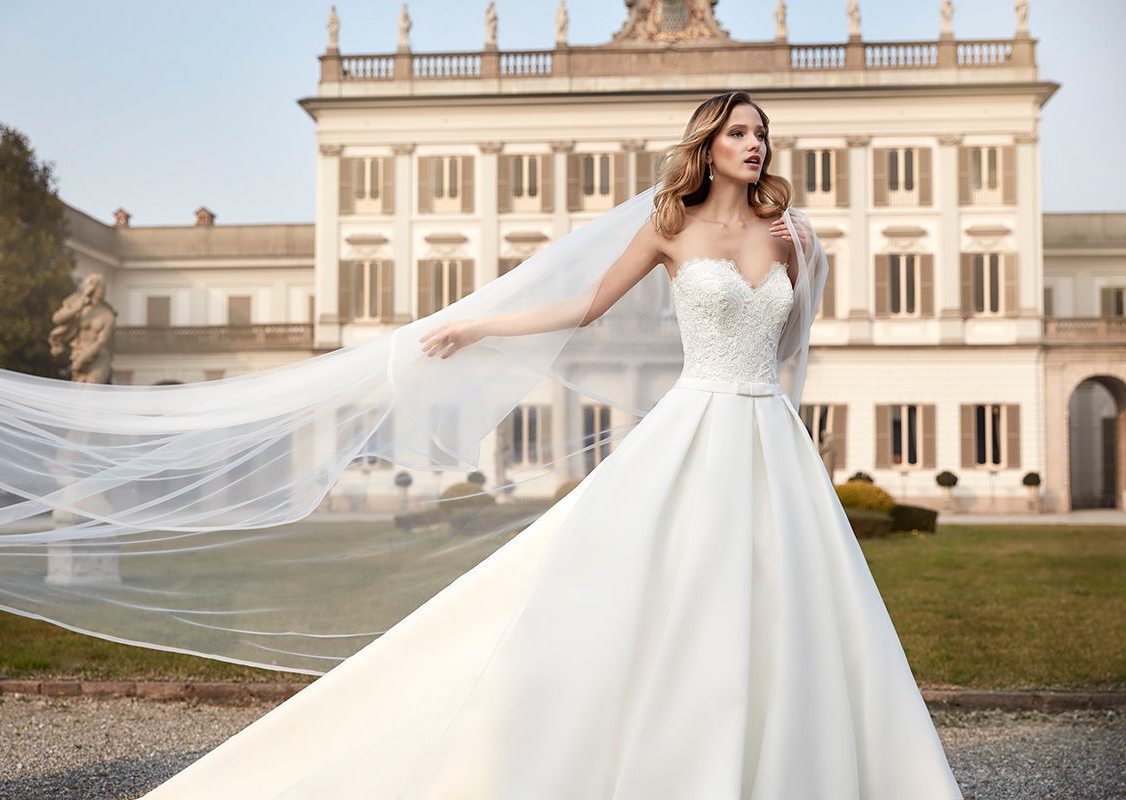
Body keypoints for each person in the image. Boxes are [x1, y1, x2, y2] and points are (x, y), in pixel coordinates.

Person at [135, 92, 964, 799]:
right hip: (697, 426)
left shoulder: (793, 238)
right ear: (706, 150)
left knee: (789, 601)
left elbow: (788, 352)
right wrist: (476, 325)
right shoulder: (668, 229)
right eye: (739, 134)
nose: (756, 146)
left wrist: (799, 283)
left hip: (769, 435)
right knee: (657, 593)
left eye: (761, 135)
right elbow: (582, 305)